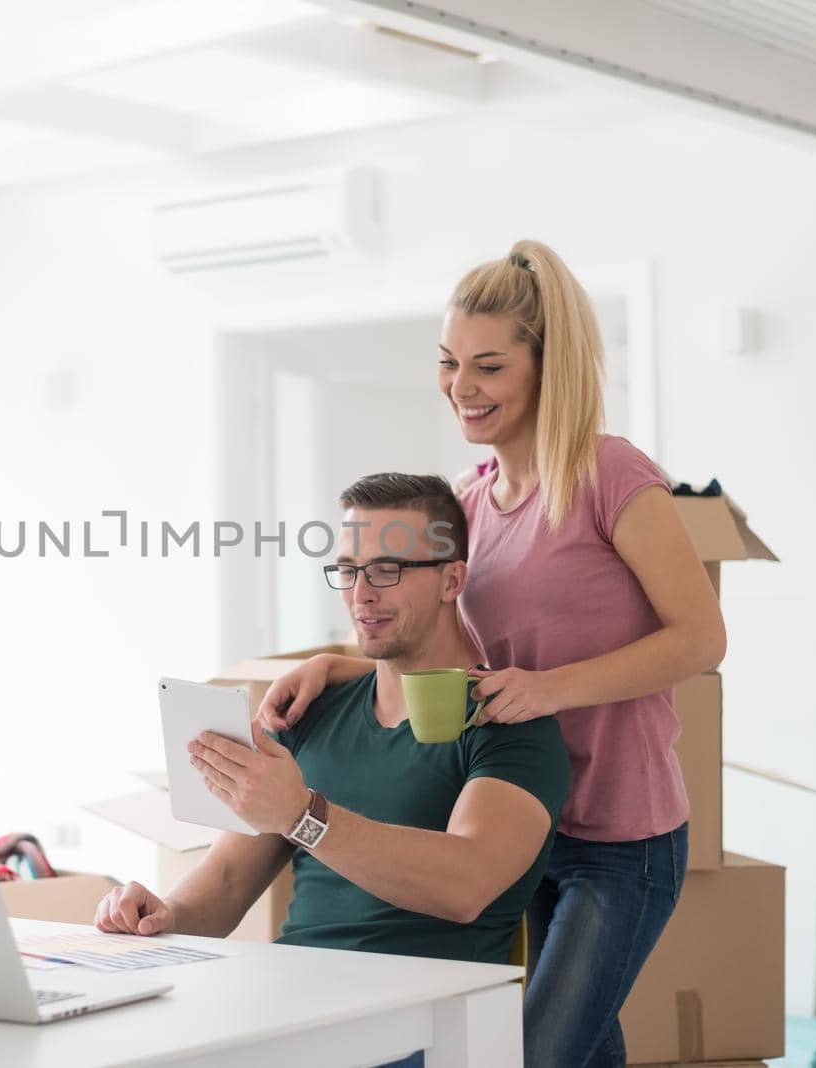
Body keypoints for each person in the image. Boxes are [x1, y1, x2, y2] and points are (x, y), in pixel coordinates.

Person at [256, 241, 727, 1068]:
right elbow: (449, 646)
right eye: (447, 364)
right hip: (523, 821)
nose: (460, 388)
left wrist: (549, 690)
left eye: (488, 366)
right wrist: (340, 667)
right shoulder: (473, 499)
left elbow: (701, 637)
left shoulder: (610, 475)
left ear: (549, 368)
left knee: (538, 1054)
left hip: (620, 837)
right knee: (581, 1052)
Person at [97, 475, 569, 1066]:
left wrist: (302, 815)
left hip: (418, 1030)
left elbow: (466, 885)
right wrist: (164, 917)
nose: (360, 594)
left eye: (388, 569)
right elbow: (225, 880)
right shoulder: (309, 712)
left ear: (453, 578)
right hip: (291, 1015)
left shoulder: (511, 724)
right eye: (348, 570)